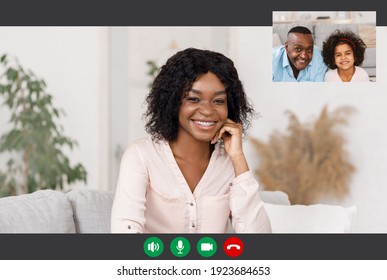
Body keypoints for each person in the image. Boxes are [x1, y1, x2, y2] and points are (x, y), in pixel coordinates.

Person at [111, 48, 272, 233]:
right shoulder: (141, 156)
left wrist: (237, 157)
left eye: (219, 101)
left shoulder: (230, 163)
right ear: (172, 102)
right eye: (194, 99)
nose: (208, 110)